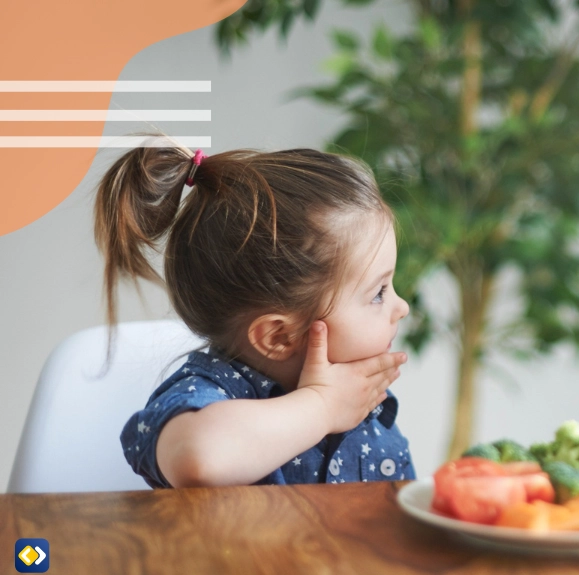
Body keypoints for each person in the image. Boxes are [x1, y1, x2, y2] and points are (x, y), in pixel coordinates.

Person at [100, 138, 414, 488]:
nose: (401, 308)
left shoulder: (364, 407)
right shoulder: (209, 393)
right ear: (279, 337)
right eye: (379, 293)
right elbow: (199, 458)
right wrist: (321, 407)